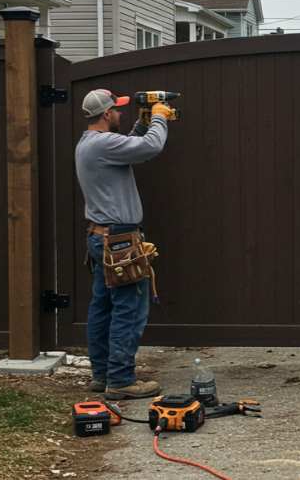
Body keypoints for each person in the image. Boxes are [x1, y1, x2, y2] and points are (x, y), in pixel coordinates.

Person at [75, 88, 174, 400]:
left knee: (102, 307)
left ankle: (102, 374)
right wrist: (159, 118)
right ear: (106, 115)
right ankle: (120, 380)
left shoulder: (90, 143)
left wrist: (143, 124)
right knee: (128, 309)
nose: (121, 113)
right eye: (116, 110)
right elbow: (150, 148)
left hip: (101, 237)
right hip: (119, 241)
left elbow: (131, 145)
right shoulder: (103, 144)